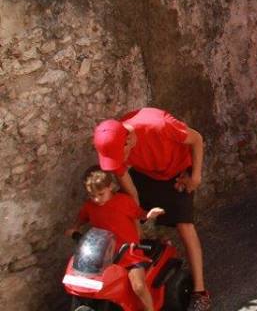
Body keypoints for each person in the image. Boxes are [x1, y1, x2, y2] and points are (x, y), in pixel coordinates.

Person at [93, 108, 211, 311]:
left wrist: (195, 177)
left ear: (128, 141)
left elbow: (197, 140)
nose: (118, 163)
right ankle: (137, 268)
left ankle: (200, 292)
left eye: (119, 157)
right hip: (147, 174)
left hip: (178, 173)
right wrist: (135, 214)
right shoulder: (113, 145)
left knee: (184, 225)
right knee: (122, 210)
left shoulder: (159, 125)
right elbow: (131, 194)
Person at [66, 168, 165, 311]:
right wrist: (75, 228)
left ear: (111, 187)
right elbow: (82, 217)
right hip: (103, 255)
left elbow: (139, 214)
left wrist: (149, 214)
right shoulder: (89, 206)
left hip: (129, 254)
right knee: (87, 282)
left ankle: (150, 309)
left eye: (101, 194)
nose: (97, 199)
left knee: (138, 285)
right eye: (92, 196)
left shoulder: (124, 201)